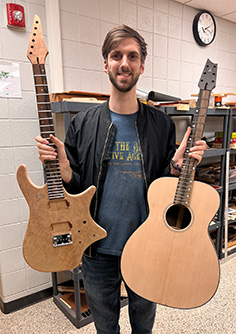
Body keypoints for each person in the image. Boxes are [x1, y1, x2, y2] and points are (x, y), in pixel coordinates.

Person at [36, 25, 206, 334]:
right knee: (105, 327)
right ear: (105, 64)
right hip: (97, 248)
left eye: (132, 56)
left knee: (143, 324)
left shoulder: (161, 124)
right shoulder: (83, 123)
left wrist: (179, 169)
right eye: (116, 55)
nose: (124, 63)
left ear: (142, 65)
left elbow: (165, 191)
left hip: (149, 246)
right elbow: (75, 189)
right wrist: (62, 169)